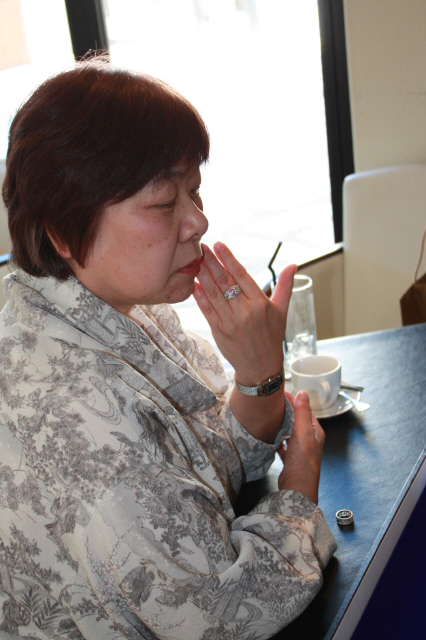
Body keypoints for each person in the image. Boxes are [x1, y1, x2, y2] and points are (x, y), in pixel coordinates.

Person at [0, 58, 336, 640]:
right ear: (64, 229)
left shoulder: (109, 303)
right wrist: (299, 489)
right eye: (164, 202)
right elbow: (221, 612)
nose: (198, 221)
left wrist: (258, 372)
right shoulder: (78, 418)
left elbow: (203, 461)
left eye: (194, 192)